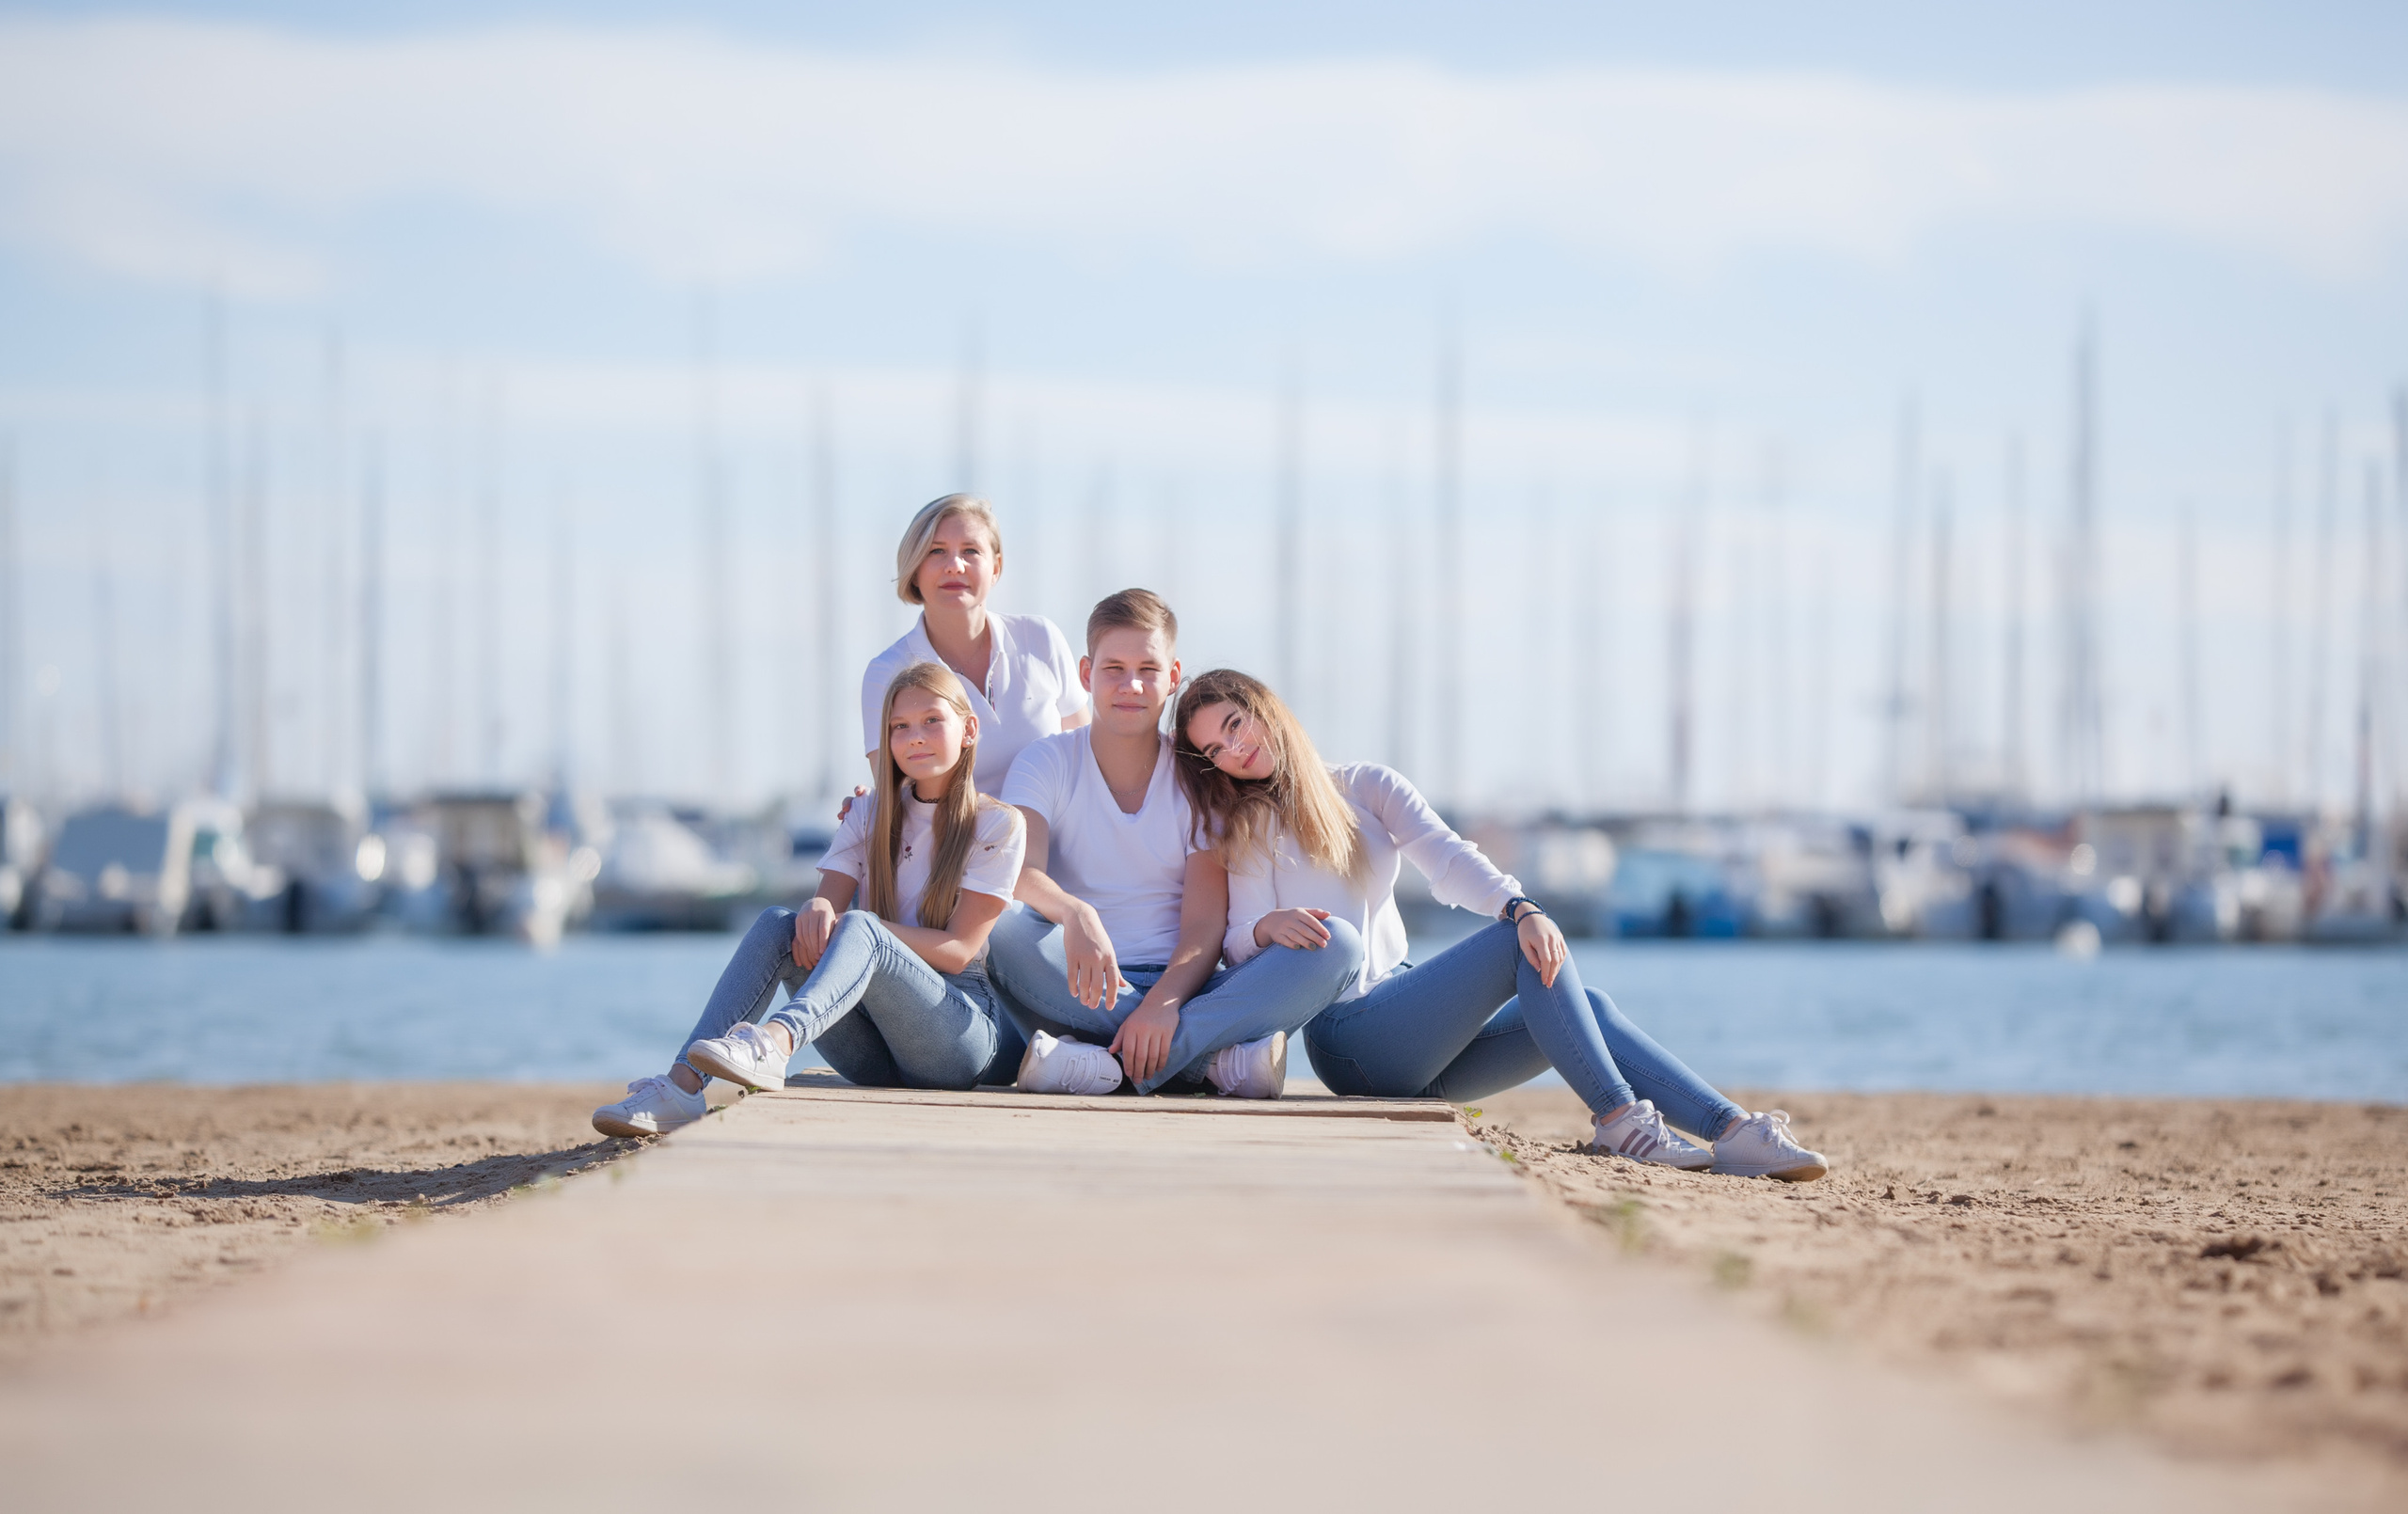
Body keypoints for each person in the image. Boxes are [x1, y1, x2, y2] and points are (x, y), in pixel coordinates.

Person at [1170, 668, 1827, 1180]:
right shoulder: (1248, 828)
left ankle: (1733, 1130)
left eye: (1235, 724)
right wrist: (1265, 929)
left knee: (1580, 1003)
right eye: (1214, 749)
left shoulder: (1367, 787)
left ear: (1265, 709)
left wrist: (1522, 905)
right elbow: (1235, 939)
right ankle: (1622, 1120)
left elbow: (1449, 859)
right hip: (1351, 1041)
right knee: (1523, 950)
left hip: (1415, 1024)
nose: (1234, 748)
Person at [593, 662, 1025, 1137]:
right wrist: (818, 908)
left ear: (969, 730)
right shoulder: (868, 812)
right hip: (875, 1051)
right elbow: (827, 907)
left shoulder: (998, 825)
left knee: (862, 926)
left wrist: (861, 927)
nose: (915, 737)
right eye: (899, 727)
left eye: (931, 721)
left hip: (960, 1037)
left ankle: (776, 1043)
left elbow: (960, 949)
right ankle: (682, 1087)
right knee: (782, 923)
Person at [987, 591, 1364, 1099]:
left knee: (1336, 945)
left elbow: (1205, 924)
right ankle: (1209, 1063)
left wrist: (1163, 1004)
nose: (1131, 685)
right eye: (1113, 668)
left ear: (1172, 676)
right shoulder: (1045, 761)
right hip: (1080, 983)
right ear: (1085, 674)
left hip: (1189, 990)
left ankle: (1101, 1065)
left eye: (1148, 668)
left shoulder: (1198, 777)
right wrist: (1075, 913)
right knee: (1003, 931)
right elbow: (1019, 871)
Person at [860, 494, 1087, 797]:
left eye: (970, 551)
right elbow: (895, 799)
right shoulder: (887, 672)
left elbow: (1087, 762)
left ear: (996, 567)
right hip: (957, 845)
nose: (954, 565)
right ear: (914, 570)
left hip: (1059, 843)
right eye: (936, 551)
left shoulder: (1041, 639)